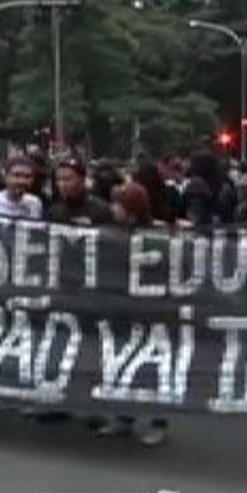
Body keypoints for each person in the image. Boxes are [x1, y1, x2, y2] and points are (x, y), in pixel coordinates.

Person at [96, 181, 170, 447]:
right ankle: (123, 417)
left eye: (119, 203)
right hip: (121, 310)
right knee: (121, 363)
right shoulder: (111, 233)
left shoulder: (158, 235)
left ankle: (158, 421)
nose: (113, 208)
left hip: (152, 311)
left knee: (152, 369)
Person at [47, 158, 113, 225]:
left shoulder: (100, 209)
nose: (62, 185)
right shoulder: (54, 210)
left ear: (82, 180)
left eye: (67, 179)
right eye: (58, 179)